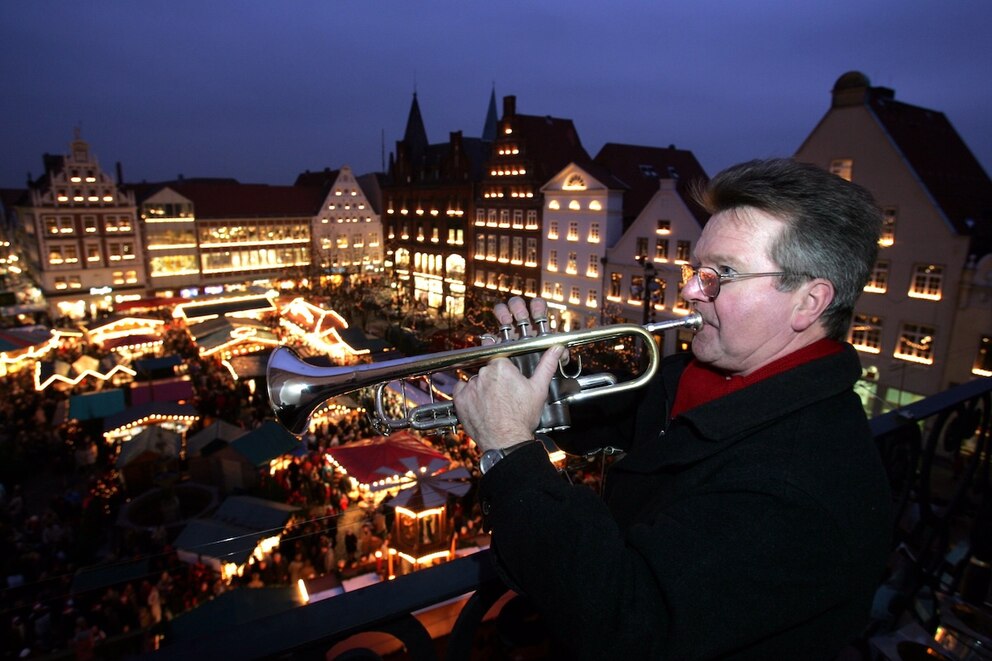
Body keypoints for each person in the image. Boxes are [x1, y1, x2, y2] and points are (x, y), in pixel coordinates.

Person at [452, 158, 892, 659]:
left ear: (809, 302)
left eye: (720, 275)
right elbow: (615, 416)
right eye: (694, 269)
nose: (688, 291)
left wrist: (508, 450)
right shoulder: (707, 376)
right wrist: (544, 371)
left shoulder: (799, 482)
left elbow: (625, 620)